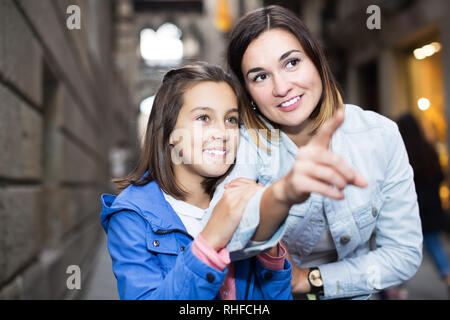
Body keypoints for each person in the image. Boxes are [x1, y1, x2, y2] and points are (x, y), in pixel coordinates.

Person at [205, 5, 423, 300]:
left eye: (291, 63)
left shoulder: (380, 134)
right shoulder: (243, 145)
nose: (282, 87)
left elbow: (403, 254)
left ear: (317, 60)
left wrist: (308, 280)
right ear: (247, 92)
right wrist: (282, 194)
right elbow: (220, 239)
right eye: (260, 77)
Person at [99, 62, 292, 300]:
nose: (222, 133)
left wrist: (268, 247)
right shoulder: (131, 215)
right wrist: (211, 238)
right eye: (203, 117)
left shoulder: (248, 195)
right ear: (168, 132)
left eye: (231, 120)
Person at [397, 113, 450, 298]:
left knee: (403, 247)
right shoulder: (429, 148)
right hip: (433, 207)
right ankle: (448, 275)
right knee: (434, 244)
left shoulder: (402, 151)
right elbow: (441, 176)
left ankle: (395, 286)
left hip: (413, 208)